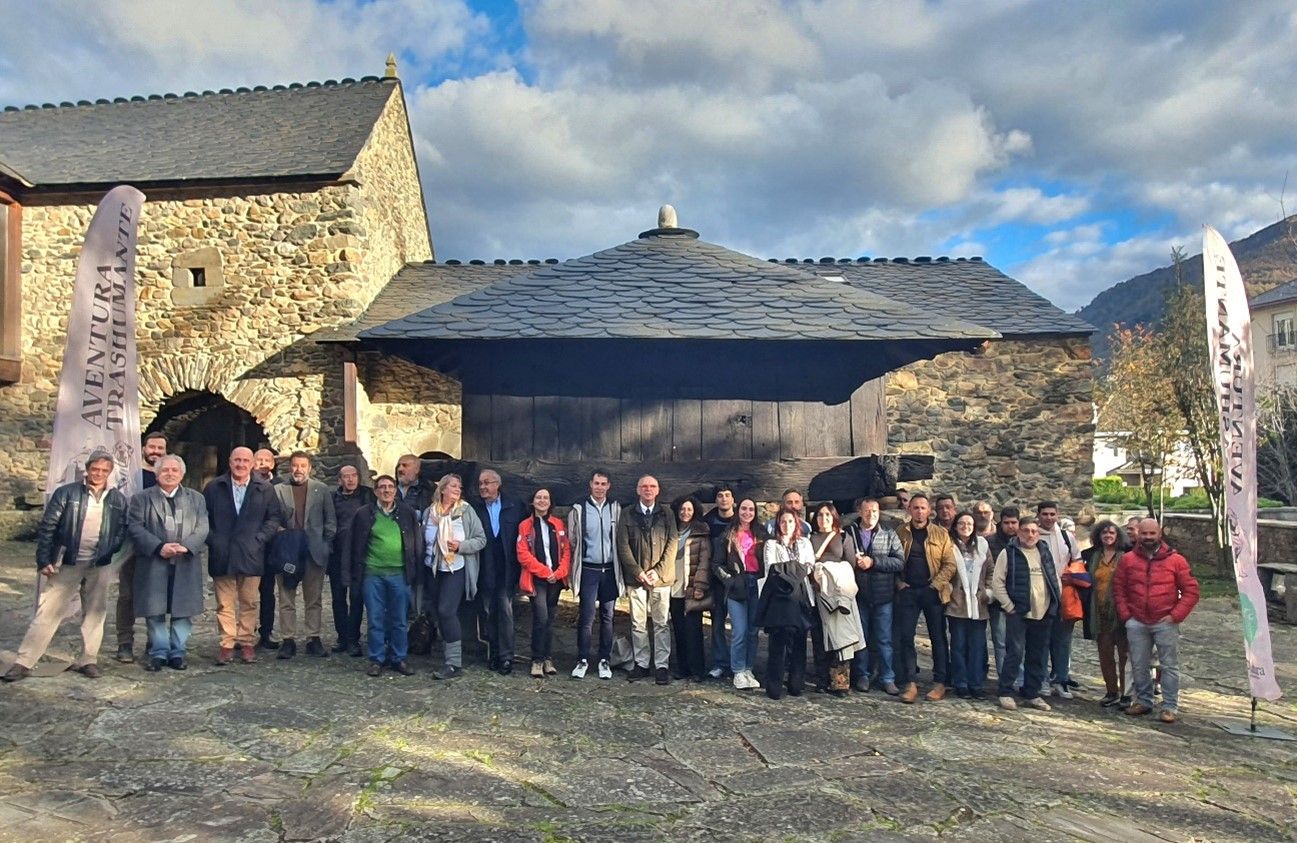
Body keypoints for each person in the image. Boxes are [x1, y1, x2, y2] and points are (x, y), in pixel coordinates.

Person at [3, 451, 128, 682]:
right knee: (48, 611)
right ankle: (24, 662)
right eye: (95, 469)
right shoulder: (67, 493)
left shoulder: (117, 499)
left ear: (110, 473)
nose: (99, 474)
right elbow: (48, 527)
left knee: (95, 613)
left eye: (104, 471)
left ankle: (89, 659)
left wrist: (109, 551)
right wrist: (44, 559)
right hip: (67, 562)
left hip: (98, 564)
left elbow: (120, 530)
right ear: (87, 469)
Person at [127, 454, 209, 671]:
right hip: (154, 561)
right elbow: (135, 527)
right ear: (156, 474)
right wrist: (158, 547)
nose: (170, 474)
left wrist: (188, 546)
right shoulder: (141, 499)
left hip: (185, 561)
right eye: (165, 470)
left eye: (174, 470)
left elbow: (203, 527)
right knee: (155, 610)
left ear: (182, 474)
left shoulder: (196, 499)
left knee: (182, 610)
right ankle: (159, 652)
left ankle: (177, 652)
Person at [204, 447, 283, 665]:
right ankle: (227, 644)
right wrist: (214, 540)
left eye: (245, 460)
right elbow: (203, 517)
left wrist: (259, 539)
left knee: (250, 602)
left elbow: (273, 518)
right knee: (224, 603)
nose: (240, 464)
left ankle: (247, 642)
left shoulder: (264, 489)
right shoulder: (214, 487)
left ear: (252, 464)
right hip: (223, 553)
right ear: (229, 462)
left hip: (251, 553)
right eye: (236, 460)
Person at [1115, 518, 1200, 723]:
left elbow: (1191, 591)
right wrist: (1127, 616)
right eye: (1144, 533)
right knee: (1138, 664)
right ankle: (1143, 701)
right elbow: (1119, 589)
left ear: (1159, 533)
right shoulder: (1128, 560)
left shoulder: (1176, 560)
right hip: (1137, 621)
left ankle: (1170, 706)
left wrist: (1176, 615)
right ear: (1138, 534)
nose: (1148, 537)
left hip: (1165, 622)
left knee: (1169, 665)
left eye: (1152, 534)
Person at [347, 475, 422, 677]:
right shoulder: (364, 514)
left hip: (399, 574)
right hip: (373, 574)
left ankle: (399, 657)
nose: (386, 490)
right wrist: (352, 574)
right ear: (375, 491)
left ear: (396, 490)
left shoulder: (407, 513)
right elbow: (352, 545)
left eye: (390, 487)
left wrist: (416, 571)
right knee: (376, 618)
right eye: (382, 487)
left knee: (399, 618)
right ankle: (376, 658)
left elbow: (416, 542)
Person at [272, 451, 337, 659]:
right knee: (286, 597)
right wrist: (278, 533)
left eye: (302, 465)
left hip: (313, 551)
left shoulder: (322, 489)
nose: (298, 469)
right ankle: (288, 639)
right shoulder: (278, 490)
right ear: (289, 467)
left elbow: (330, 521)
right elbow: (271, 517)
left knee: (314, 597)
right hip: (288, 551)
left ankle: (313, 638)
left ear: (310, 468)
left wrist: (325, 545)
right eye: (295, 465)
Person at [422, 473, 487, 679]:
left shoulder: (466, 511)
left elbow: (480, 539)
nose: (457, 490)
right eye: (453, 486)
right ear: (442, 489)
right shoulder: (429, 513)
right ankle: (446, 655)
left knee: (447, 610)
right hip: (432, 568)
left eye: (459, 487)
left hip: (455, 568)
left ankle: (454, 664)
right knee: (437, 611)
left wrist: (461, 546)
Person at [894, 493, 957, 703]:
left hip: (932, 592)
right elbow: (892, 558)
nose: (919, 512)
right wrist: (899, 582)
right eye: (915, 508)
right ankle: (909, 681)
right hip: (909, 591)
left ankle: (940, 682)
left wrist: (936, 585)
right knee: (905, 637)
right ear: (909, 510)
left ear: (929, 510)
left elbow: (949, 564)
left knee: (937, 637)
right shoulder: (900, 532)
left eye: (923, 508)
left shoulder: (940, 534)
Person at [616, 475, 679, 685]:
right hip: (637, 579)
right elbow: (623, 546)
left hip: (661, 579)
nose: (648, 489)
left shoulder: (667, 513)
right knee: (637, 623)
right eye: (644, 486)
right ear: (637, 490)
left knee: (661, 623)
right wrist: (637, 571)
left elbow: (672, 543)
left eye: (652, 486)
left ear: (658, 490)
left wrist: (657, 571)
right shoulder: (627, 514)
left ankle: (662, 665)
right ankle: (641, 663)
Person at [991, 517, 1058, 712]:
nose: (1030, 535)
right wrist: (1009, 606)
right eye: (1026, 531)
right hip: (1018, 612)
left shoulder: (1044, 551)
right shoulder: (1009, 553)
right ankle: (1005, 692)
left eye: (1034, 531)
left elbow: (1053, 578)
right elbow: (997, 582)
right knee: (1015, 653)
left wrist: (1055, 601)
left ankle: (1032, 693)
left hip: (1043, 612)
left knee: (1038, 655)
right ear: (1019, 532)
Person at [114, 430, 167, 664]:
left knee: (156, 596)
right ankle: (125, 643)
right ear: (144, 449)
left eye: (160, 448)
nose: (155, 452)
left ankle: (152, 643)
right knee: (127, 595)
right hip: (131, 544)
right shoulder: (129, 477)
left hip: (158, 546)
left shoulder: (168, 475)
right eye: (152, 447)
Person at [844, 497, 904, 694]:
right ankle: (863, 675)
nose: (871, 515)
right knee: (861, 638)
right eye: (867, 511)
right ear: (860, 512)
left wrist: (874, 562)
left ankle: (888, 677)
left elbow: (899, 562)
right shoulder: (850, 533)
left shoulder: (888, 534)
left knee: (884, 639)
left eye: (875, 512)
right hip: (859, 594)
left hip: (883, 595)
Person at [756, 507, 815, 700]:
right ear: (778, 524)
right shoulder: (771, 544)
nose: (787, 525)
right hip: (778, 599)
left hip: (801, 598)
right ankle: (774, 685)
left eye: (790, 521)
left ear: (796, 523)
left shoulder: (805, 543)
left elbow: (809, 566)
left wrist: (789, 570)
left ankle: (796, 683)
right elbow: (771, 568)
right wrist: (795, 570)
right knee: (777, 644)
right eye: (783, 521)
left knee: (799, 643)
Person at [568, 469, 622, 680]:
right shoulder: (579, 509)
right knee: (587, 616)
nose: (599, 487)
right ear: (590, 485)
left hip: (609, 569)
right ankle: (582, 659)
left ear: (609, 486)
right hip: (589, 569)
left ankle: (604, 660)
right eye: (596, 483)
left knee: (608, 617)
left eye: (603, 484)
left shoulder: (615, 509)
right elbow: (573, 540)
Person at [808, 502, 865, 695]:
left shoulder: (843, 537)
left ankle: (840, 682)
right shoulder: (810, 539)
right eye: (820, 515)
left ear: (834, 517)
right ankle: (822, 680)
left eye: (827, 515)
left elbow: (850, 564)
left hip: (840, 594)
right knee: (820, 637)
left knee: (842, 638)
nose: (823, 519)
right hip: (819, 593)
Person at [471, 468, 523, 675]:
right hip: (484, 568)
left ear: (497, 485)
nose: (483, 487)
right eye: (481, 483)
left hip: (506, 568)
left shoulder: (514, 506)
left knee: (505, 612)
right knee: (487, 612)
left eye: (487, 483)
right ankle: (492, 653)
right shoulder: (474, 508)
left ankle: (506, 656)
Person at [517, 488, 571, 678]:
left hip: (555, 580)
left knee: (550, 620)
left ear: (550, 502)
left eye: (546, 498)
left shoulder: (557, 524)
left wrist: (559, 572)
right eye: (538, 497)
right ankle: (537, 660)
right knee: (540, 618)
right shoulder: (525, 525)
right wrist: (544, 571)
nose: (542, 500)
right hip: (537, 579)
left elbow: (566, 551)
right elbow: (523, 554)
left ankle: (548, 658)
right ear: (532, 502)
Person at [713, 498, 766, 690]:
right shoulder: (729, 534)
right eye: (744, 508)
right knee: (740, 630)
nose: (747, 512)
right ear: (738, 510)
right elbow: (716, 564)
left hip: (756, 584)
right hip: (737, 586)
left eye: (751, 509)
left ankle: (748, 668)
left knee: (753, 631)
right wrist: (730, 580)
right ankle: (737, 670)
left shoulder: (761, 533)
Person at [946, 511, 994, 699]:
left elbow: (990, 570)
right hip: (957, 602)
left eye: (969, 524)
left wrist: (988, 592)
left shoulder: (982, 545)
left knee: (977, 646)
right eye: (962, 523)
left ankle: (976, 683)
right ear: (955, 525)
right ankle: (961, 683)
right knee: (958, 645)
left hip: (978, 603)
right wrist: (948, 590)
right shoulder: (948, 544)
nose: (965, 527)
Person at [1037, 500, 1082, 698]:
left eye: (1052, 514)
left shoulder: (1066, 537)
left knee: (1063, 640)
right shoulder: (1034, 535)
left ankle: (1061, 680)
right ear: (1038, 515)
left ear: (1057, 515)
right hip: (1041, 595)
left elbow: (1078, 560)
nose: (1048, 517)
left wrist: (1071, 573)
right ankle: (1042, 679)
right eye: (1045, 514)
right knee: (1042, 640)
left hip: (1064, 595)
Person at [1084, 520, 1130, 708]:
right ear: (1098, 536)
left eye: (1112, 533)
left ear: (1117, 535)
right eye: (1104, 533)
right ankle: (1111, 691)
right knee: (1105, 655)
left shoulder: (1126, 556)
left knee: (1125, 655)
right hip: (1099, 612)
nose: (1108, 536)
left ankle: (1127, 693)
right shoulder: (1093, 556)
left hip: (1120, 612)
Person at [331, 464, 375, 656]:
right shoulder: (333, 498)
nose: (350, 479)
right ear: (339, 480)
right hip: (337, 554)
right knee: (338, 598)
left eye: (354, 475)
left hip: (360, 554)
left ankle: (353, 639)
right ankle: (342, 637)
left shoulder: (368, 495)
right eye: (346, 476)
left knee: (357, 598)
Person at [669, 497, 712, 682]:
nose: (685, 513)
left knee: (694, 630)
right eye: (682, 509)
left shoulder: (701, 532)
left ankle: (697, 669)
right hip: (672, 585)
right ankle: (683, 668)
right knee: (678, 630)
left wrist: (700, 586)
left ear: (694, 511)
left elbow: (705, 561)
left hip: (692, 585)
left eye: (689, 509)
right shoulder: (670, 530)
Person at [704, 485, 736, 680]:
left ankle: (739, 663)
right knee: (717, 624)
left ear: (733, 499)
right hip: (715, 580)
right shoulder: (708, 522)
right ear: (716, 500)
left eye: (727, 495)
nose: (724, 499)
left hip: (738, 579)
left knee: (740, 624)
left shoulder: (741, 519)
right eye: (720, 496)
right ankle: (720, 663)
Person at [986, 505, 1020, 679]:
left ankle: (1017, 677)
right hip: (998, 601)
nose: (1010, 526)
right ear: (1001, 523)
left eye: (1014, 522)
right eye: (1007, 523)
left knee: (1018, 642)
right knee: (1000, 641)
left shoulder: (1025, 542)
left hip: (1019, 600)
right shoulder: (990, 542)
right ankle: (1003, 676)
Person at [253, 447, 281, 649]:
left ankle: (266, 632)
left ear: (273, 464)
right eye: (259, 459)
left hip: (271, 545)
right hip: (249, 545)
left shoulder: (280, 485)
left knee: (267, 592)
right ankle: (244, 633)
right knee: (246, 593)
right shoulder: (244, 484)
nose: (263, 463)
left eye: (267, 460)